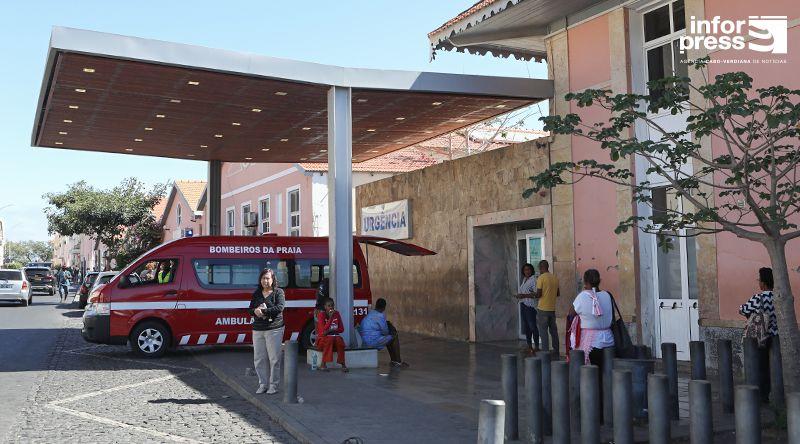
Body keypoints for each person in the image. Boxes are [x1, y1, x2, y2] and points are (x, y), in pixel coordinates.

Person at [739, 267, 778, 403]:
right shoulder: (778, 296)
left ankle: (761, 396)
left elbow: (742, 309)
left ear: (763, 283)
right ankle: (770, 393)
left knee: (760, 366)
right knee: (773, 367)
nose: (759, 282)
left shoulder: (758, 298)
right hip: (776, 336)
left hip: (761, 336)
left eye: (759, 280)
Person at [249, 268, 286, 394]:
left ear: (273, 279)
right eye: (263, 278)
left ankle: (273, 385)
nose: (265, 281)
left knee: (274, 359)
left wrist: (263, 311)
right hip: (258, 329)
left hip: (274, 329)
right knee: (259, 359)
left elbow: (280, 307)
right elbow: (250, 309)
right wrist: (255, 311)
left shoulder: (278, 292)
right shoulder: (257, 293)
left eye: (268, 278)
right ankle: (263, 384)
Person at [358, 298, 408, 368]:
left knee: (388, 339)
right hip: (371, 342)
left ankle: (394, 361)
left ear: (376, 305)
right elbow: (385, 332)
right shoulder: (380, 315)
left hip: (364, 341)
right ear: (384, 308)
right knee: (394, 336)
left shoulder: (370, 313)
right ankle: (398, 362)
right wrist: (390, 327)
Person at [533, 260, 560, 355]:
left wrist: (532, 294)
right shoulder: (555, 278)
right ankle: (556, 350)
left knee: (543, 331)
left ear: (541, 267)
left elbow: (538, 294)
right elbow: (558, 293)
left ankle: (545, 352)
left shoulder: (541, 278)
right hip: (552, 309)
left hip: (542, 309)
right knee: (553, 331)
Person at [316, 297, 348, 372]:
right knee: (329, 339)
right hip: (322, 340)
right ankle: (323, 364)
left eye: (332, 305)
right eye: (329, 306)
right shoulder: (321, 315)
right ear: (325, 307)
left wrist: (332, 330)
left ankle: (343, 364)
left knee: (340, 341)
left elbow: (342, 329)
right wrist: (330, 318)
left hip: (334, 337)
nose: (331, 307)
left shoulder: (337, 314)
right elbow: (323, 331)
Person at [515, 263, 539, 354]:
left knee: (532, 326)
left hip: (530, 306)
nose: (527, 271)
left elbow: (536, 294)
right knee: (527, 327)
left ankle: (536, 346)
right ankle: (529, 346)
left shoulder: (534, 280)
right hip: (523, 304)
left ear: (531, 270)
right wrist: (519, 296)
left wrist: (524, 295)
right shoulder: (524, 279)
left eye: (528, 269)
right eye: (525, 270)